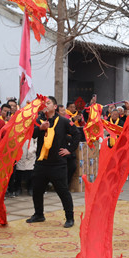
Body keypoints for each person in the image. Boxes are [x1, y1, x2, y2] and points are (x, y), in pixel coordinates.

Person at [26, 96, 80, 228]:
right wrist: (41, 129)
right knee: (37, 190)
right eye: (44, 103)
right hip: (41, 162)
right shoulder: (39, 120)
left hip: (58, 163)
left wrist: (69, 150)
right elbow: (31, 134)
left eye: (48, 103)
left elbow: (77, 134)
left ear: (55, 107)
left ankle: (69, 217)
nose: (45, 105)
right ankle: (39, 214)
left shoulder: (63, 121)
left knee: (63, 191)